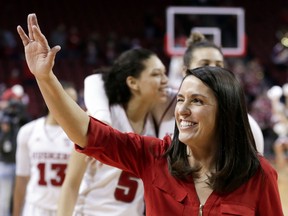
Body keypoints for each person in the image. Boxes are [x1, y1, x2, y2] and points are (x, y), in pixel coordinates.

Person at [17, 13, 283, 215]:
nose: (183, 110)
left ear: (225, 111)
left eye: (197, 101)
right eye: (180, 99)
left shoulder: (258, 174)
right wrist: (45, 78)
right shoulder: (155, 156)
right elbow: (88, 134)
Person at [85, 32, 265, 154]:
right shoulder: (170, 102)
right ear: (185, 70)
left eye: (219, 64)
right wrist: (103, 120)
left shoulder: (245, 123)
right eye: (205, 63)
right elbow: (96, 81)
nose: (213, 70)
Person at [57, 48, 168, 215]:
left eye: (165, 73)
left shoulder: (157, 124)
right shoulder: (100, 119)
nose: (165, 80)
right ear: (132, 83)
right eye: (156, 74)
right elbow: (71, 185)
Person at [12, 81, 77, 216]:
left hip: (66, 209)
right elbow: (22, 178)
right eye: (68, 100)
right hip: (35, 207)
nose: (72, 107)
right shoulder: (28, 131)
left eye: (75, 102)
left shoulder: (79, 136)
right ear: (51, 99)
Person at [0, 115, 18, 216]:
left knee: (11, 196)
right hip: (4, 166)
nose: (5, 126)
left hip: (13, 166)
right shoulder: (3, 135)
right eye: (3, 124)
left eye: (7, 124)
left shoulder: (14, 134)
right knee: (4, 198)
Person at [267, 84, 288, 168]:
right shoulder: (276, 111)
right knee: (278, 147)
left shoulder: (283, 110)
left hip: (285, 135)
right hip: (281, 136)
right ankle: (281, 167)